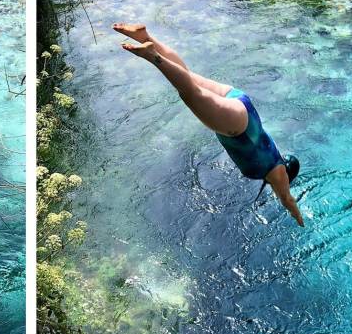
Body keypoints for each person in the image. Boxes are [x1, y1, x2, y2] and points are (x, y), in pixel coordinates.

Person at [114, 23, 304, 226]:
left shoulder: (275, 157)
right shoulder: (279, 174)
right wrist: (298, 218)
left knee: (187, 75)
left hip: (238, 99)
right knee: (189, 92)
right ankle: (154, 56)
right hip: (237, 126)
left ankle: (143, 36)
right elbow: (287, 199)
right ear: (287, 172)